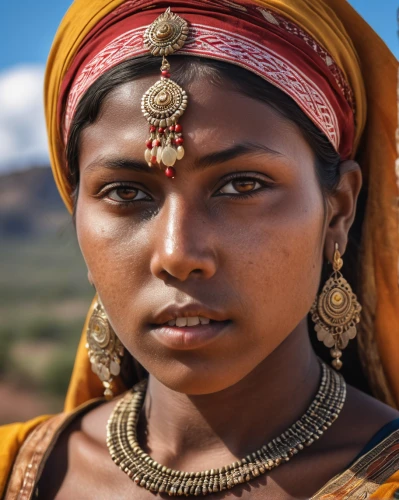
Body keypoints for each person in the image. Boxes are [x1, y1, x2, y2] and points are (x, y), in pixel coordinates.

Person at [1, 0, 399, 498]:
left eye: (241, 186)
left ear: (338, 210)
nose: (177, 253)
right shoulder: (17, 471)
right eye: (127, 193)